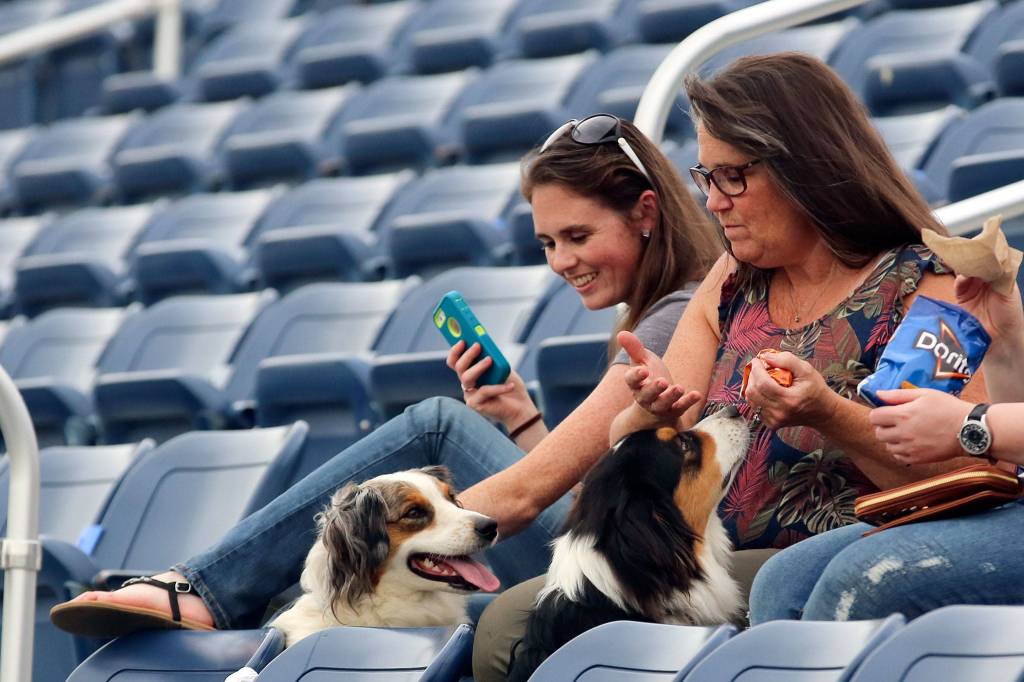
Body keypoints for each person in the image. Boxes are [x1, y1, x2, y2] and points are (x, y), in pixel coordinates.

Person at [50, 114, 721, 663]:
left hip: (642, 563)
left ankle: (205, 588)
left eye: (578, 235)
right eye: (547, 242)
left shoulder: (670, 319)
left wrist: (377, 546)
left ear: (645, 212)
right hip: (615, 549)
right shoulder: (656, 314)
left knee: (435, 426)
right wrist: (520, 419)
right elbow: (596, 497)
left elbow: (526, 497)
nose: (561, 262)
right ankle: (249, 593)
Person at [475, 51, 991, 682]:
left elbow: (960, 476)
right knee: (506, 625)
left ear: (805, 165)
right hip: (698, 553)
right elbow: (640, 447)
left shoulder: (927, 286)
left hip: (818, 558)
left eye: (733, 177)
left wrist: (828, 415)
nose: (713, 202)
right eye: (706, 177)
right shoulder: (731, 278)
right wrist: (645, 412)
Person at [748, 273, 1024, 624]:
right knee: (783, 581)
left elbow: (984, 450)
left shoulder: (913, 270)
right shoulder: (732, 282)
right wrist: (1006, 344)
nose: (717, 212)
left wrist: (972, 426)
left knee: (863, 579)